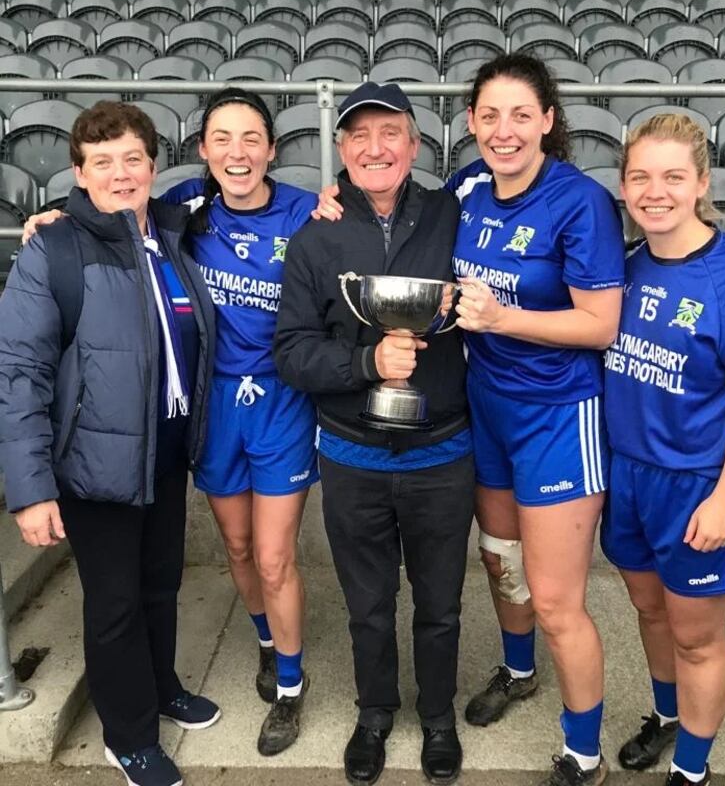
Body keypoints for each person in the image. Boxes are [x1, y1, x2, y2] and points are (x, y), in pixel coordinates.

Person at [21, 88, 320, 756]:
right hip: (156, 434)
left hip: (234, 420)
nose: (237, 153)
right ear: (202, 150)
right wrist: (54, 217)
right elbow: (22, 371)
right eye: (222, 138)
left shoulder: (275, 214)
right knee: (197, 568)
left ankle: (266, 688)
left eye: (251, 139)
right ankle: (165, 715)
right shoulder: (161, 215)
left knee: (236, 566)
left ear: (273, 149)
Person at [0, 101, 219, 786]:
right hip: (94, 461)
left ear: (154, 166)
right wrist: (30, 487)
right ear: (78, 172)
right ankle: (129, 736)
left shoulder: (175, 233)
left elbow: (245, 182)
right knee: (115, 599)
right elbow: (20, 371)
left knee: (160, 583)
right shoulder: (56, 248)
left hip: (166, 446)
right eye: (103, 162)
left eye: (133, 159)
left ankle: (160, 687)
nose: (120, 174)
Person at [273, 82, 475, 786]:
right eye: (358, 136)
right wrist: (367, 361)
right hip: (352, 455)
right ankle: (376, 713)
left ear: (416, 144)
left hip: (443, 453)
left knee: (441, 604)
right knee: (367, 604)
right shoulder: (315, 233)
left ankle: (439, 717)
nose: (375, 148)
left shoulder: (454, 212)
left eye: (390, 133)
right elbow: (291, 351)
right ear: (341, 151)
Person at [448, 54, 624, 786]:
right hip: (486, 407)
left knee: (556, 600)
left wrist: (503, 317)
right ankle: (519, 672)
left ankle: (584, 752)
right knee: (500, 560)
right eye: (490, 115)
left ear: (549, 120)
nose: (505, 130)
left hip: (557, 416)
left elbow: (601, 325)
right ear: (469, 124)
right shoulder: (468, 193)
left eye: (521, 114)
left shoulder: (579, 202)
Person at [602, 114, 725, 786]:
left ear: (702, 183)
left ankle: (692, 768)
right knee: (651, 611)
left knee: (697, 636)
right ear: (623, 186)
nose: (657, 191)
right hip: (629, 478)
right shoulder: (622, 268)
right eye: (641, 176)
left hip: (701, 484)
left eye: (673, 176)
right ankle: (668, 714)